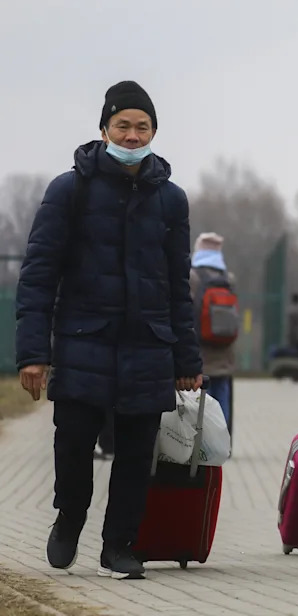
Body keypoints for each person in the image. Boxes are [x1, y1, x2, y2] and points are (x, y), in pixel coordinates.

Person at [16, 81, 203, 581]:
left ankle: (119, 545)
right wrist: (33, 353)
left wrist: (187, 360)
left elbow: (176, 286)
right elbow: (38, 274)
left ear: (155, 133)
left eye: (143, 127)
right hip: (83, 340)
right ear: (103, 129)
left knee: (138, 452)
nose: (133, 134)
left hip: (148, 344)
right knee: (73, 441)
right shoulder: (69, 189)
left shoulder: (171, 200)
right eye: (123, 125)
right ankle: (70, 516)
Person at [190, 232, 237, 429]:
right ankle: (221, 440)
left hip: (200, 348)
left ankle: (201, 441)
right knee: (222, 394)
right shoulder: (229, 278)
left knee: (202, 397)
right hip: (225, 349)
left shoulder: (192, 277)